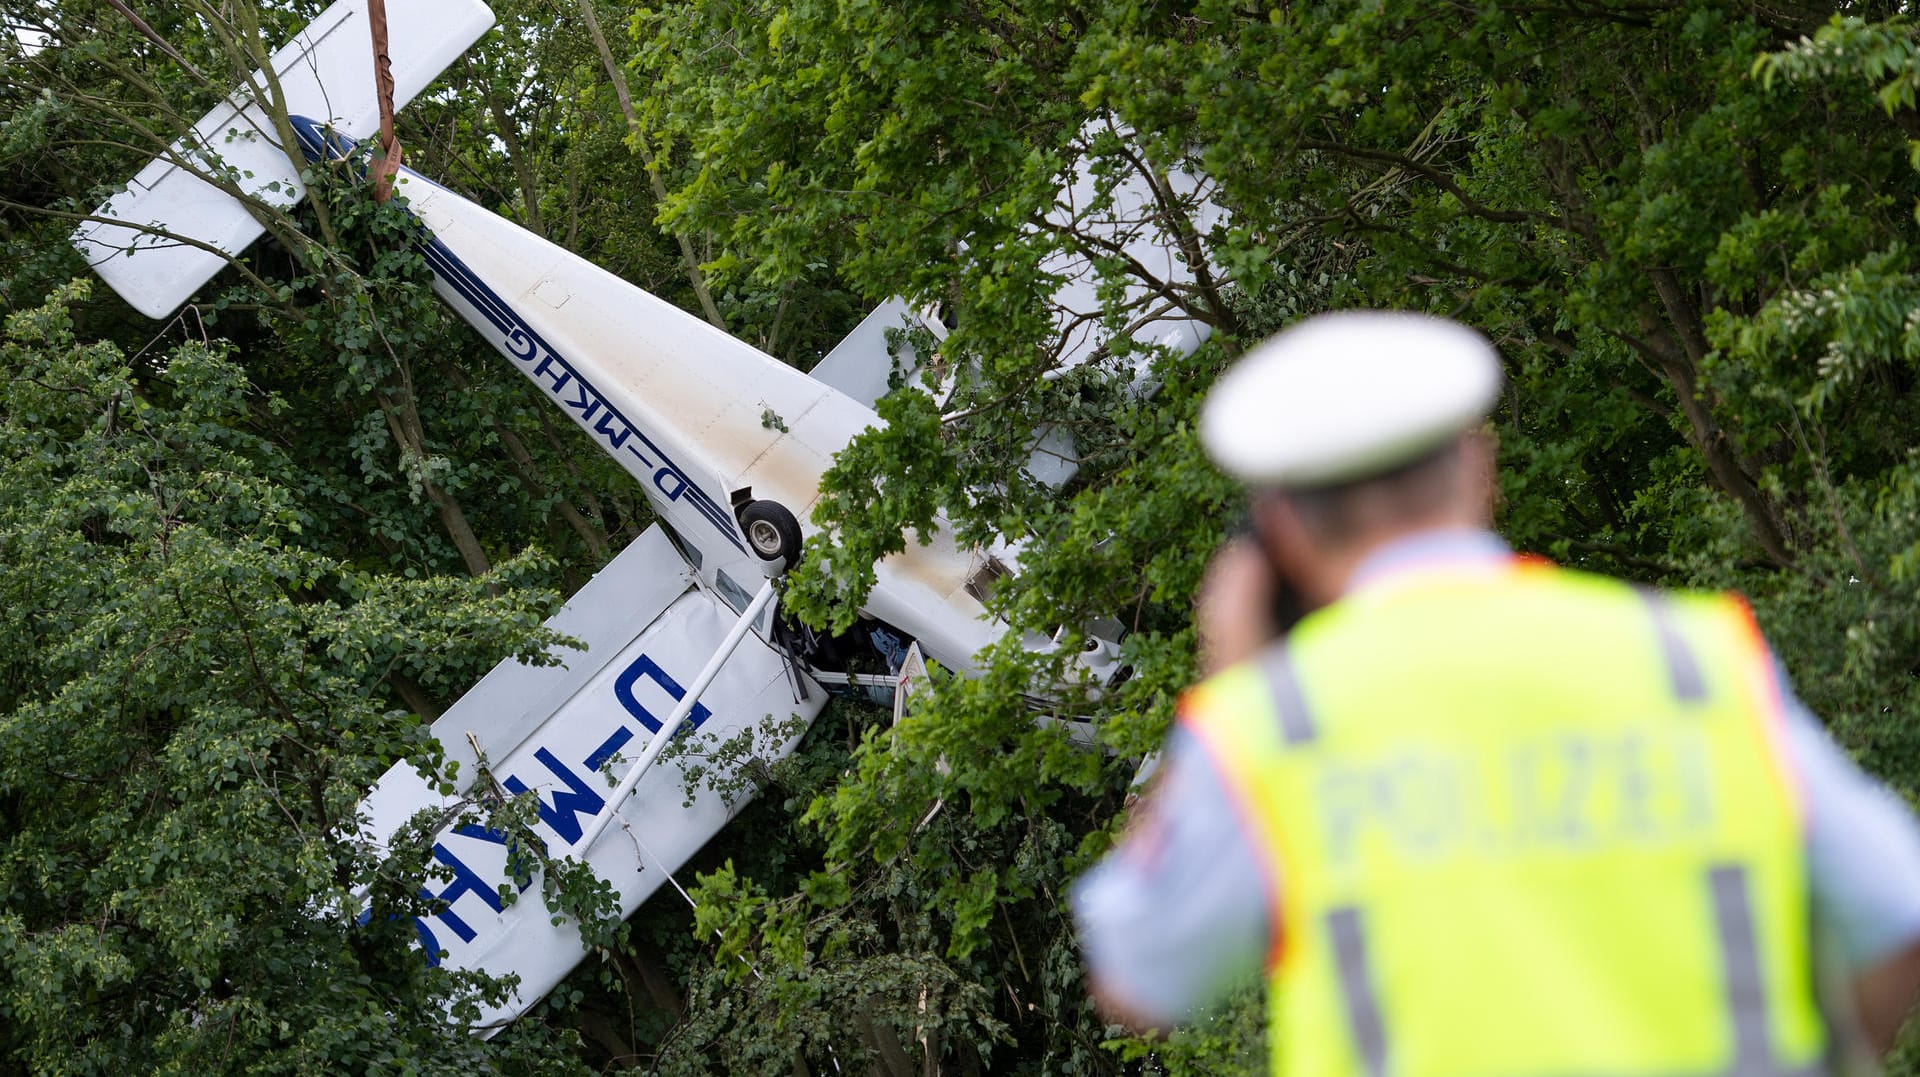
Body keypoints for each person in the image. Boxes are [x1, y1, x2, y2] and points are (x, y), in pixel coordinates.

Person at [1071, 311, 1920, 1076]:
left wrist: (1230, 683)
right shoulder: (1688, 657)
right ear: (1479, 468)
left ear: (1283, 533)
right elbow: (1898, 906)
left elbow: (1138, 973)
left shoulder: (1275, 728)